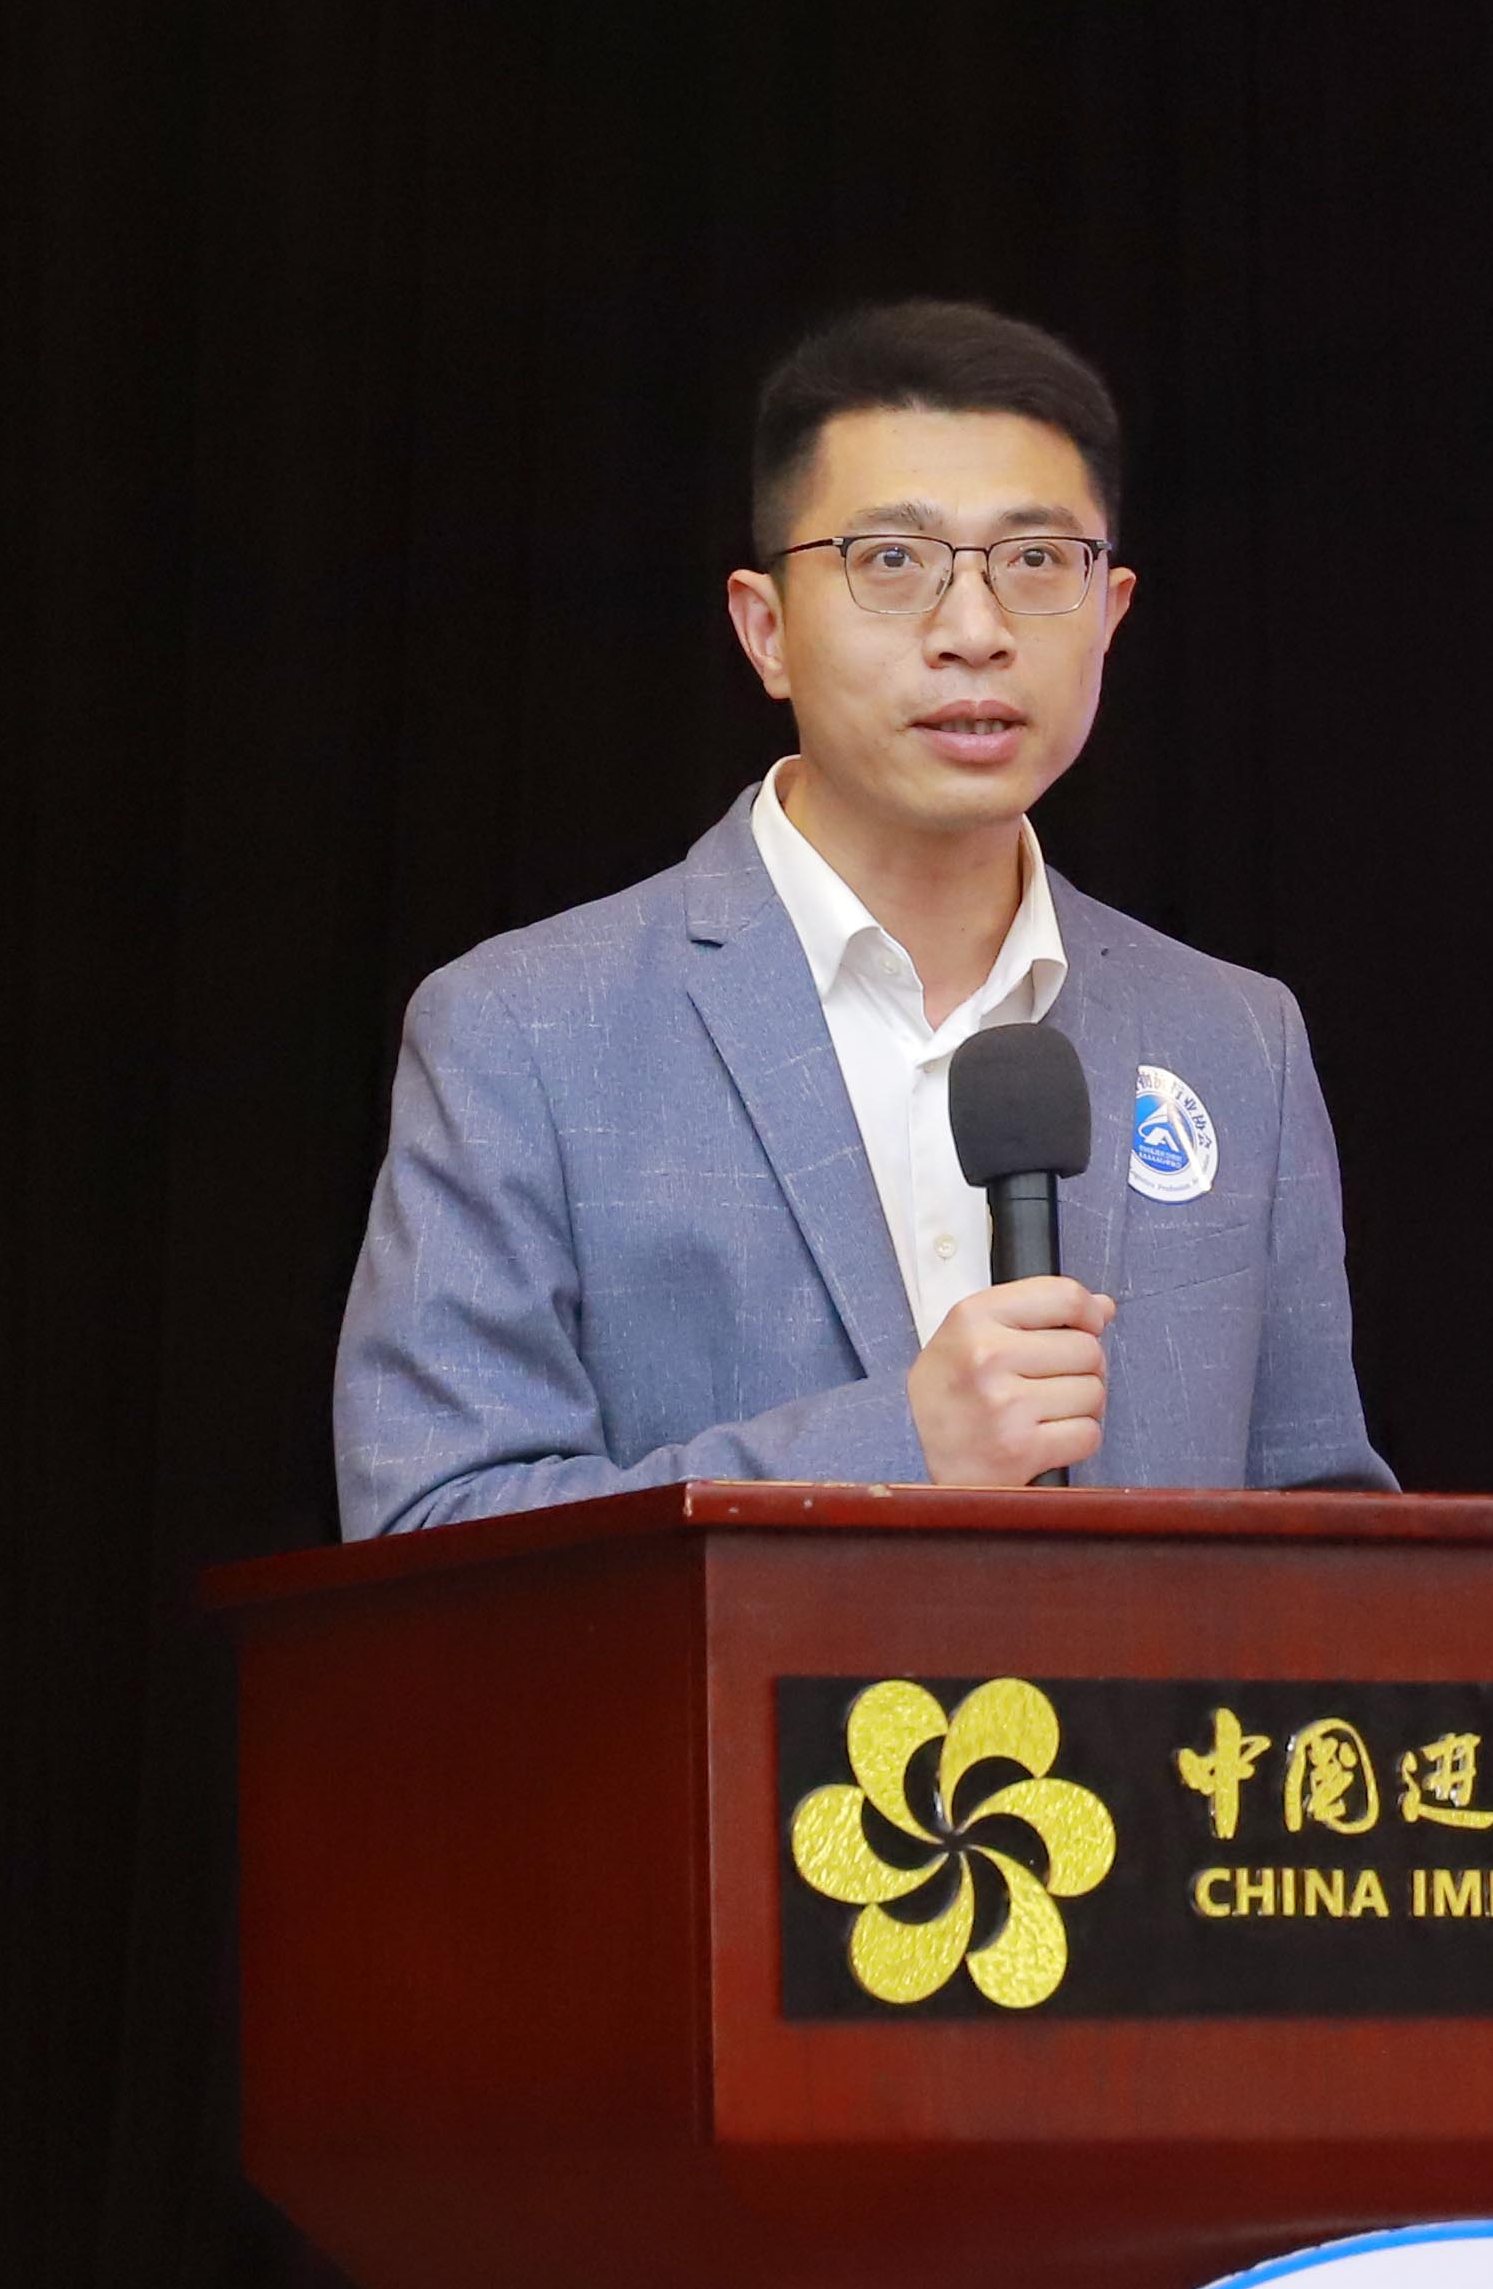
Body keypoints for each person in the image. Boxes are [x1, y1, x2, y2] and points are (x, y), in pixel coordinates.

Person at [332, 300, 1397, 1537]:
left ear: (1109, 614)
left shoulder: (1235, 1039)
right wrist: (902, 1445)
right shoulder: (526, 1031)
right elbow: (432, 1527)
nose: (973, 632)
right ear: (766, 630)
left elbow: (1325, 1543)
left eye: (1035, 562)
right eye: (892, 562)